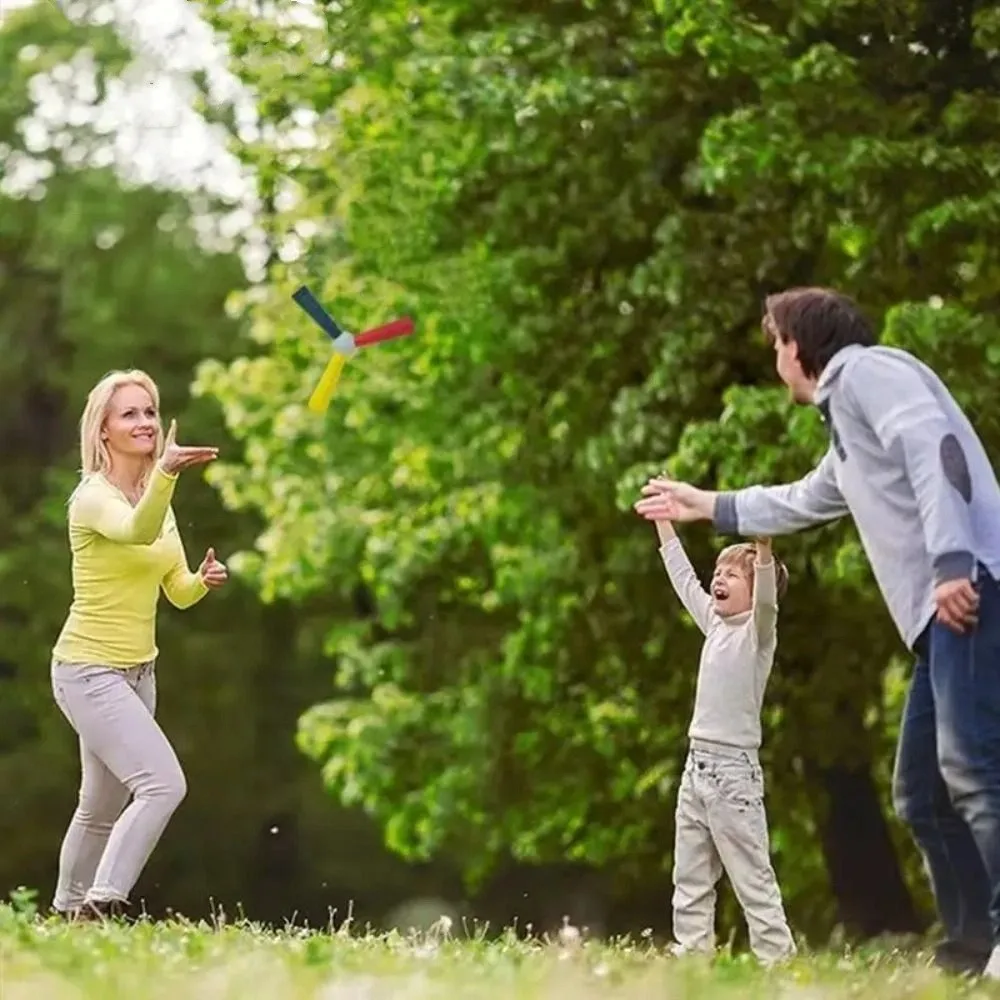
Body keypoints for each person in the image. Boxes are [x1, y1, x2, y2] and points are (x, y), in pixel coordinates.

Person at [634, 286, 1000, 978]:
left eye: (776, 345)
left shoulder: (868, 372)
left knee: (974, 771)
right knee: (921, 793)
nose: (775, 359)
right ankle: (970, 951)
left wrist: (954, 560)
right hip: (936, 620)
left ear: (799, 346)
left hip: (971, 590)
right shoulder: (849, 430)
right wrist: (703, 505)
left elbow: (936, 446)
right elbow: (803, 499)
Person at [50, 370, 227, 921]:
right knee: (162, 785)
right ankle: (99, 906)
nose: (145, 422)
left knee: (101, 807)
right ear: (103, 430)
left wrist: (201, 580)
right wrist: (168, 476)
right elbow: (136, 532)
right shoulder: (91, 499)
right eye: (130, 413)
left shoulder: (156, 497)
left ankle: (62, 916)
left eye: (150, 411)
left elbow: (175, 592)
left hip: (138, 674)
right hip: (87, 670)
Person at [646, 512, 795, 964]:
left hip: (735, 776)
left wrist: (764, 550)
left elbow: (767, 601)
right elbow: (681, 575)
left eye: (732, 573)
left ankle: (778, 961)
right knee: (689, 874)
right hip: (697, 769)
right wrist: (664, 524)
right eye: (718, 571)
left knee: (752, 876)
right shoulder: (713, 624)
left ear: (753, 590)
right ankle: (693, 956)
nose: (719, 577)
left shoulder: (757, 635)